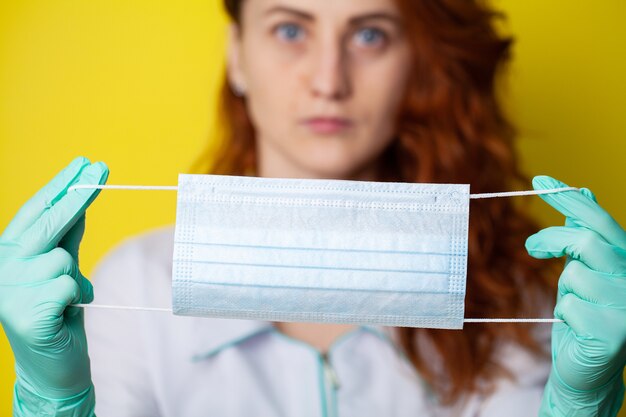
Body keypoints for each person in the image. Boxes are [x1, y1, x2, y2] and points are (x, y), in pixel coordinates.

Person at [1, 0, 625, 416]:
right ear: (237, 54)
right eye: (290, 29)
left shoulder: (523, 301)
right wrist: (52, 396)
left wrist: (580, 399)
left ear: (416, 62)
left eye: (370, 34)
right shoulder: (130, 282)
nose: (329, 79)